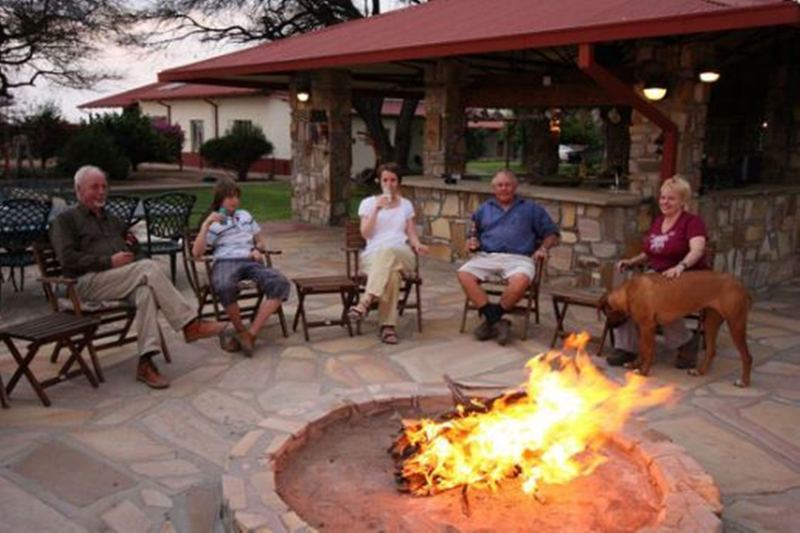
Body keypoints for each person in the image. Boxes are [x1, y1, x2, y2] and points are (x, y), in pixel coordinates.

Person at [50, 165, 224, 389]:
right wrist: (109, 262)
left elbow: (136, 247)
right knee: (147, 269)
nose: (101, 191)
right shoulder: (65, 220)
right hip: (84, 283)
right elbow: (67, 259)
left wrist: (134, 258)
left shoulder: (112, 220)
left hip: (119, 280)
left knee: (145, 292)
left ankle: (146, 362)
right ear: (78, 189)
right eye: (94, 187)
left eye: (104, 186)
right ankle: (189, 324)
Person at [610, 175, 709, 368]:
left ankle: (685, 342)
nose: (665, 202)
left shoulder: (692, 222)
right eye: (663, 197)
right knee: (624, 298)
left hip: (684, 277)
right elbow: (650, 252)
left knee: (655, 301)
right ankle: (626, 347)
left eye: (671, 198)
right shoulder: (658, 222)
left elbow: (698, 250)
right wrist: (630, 261)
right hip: (656, 278)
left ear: (683, 201)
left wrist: (681, 266)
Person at [457, 169, 559, 345]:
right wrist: (471, 242)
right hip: (488, 256)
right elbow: (472, 234)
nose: (504, 188)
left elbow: (552, 234)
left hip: (519, 257)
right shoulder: (484, 209)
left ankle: (490, 320)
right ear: (493, 188)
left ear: (515, 186)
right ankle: (497, 320)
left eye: (508, 185)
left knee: (521, 280)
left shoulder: (531, 209)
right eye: (500, 185)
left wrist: (543, 248)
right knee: (463, 274)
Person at [192, 178, 291, 356]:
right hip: (225, 261)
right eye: (229, 197)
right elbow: (196, 254)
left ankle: (250, 334)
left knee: (280, 283)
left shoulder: (245, 215)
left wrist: (256, 248)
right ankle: (240, 330)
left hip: (249, 259)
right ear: (220, 199)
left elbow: (260, 240)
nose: (234, 200)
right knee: (223, 285)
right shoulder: (213, 221)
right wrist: (206, 225)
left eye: (236, 196)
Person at [347, 163, 428, 344]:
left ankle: (366, 301)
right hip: (374, 257)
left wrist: (418, 245)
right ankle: (388, 327)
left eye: (393, 180)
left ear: (398, 182)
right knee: (391, 276)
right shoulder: (368, 203)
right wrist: (376, 208)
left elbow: (412, 234)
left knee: (390, 250)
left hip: (401, 254)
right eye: (385, 180)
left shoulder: (406, 205)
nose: (389, 184)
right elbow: (366, 234)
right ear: (379, 181)